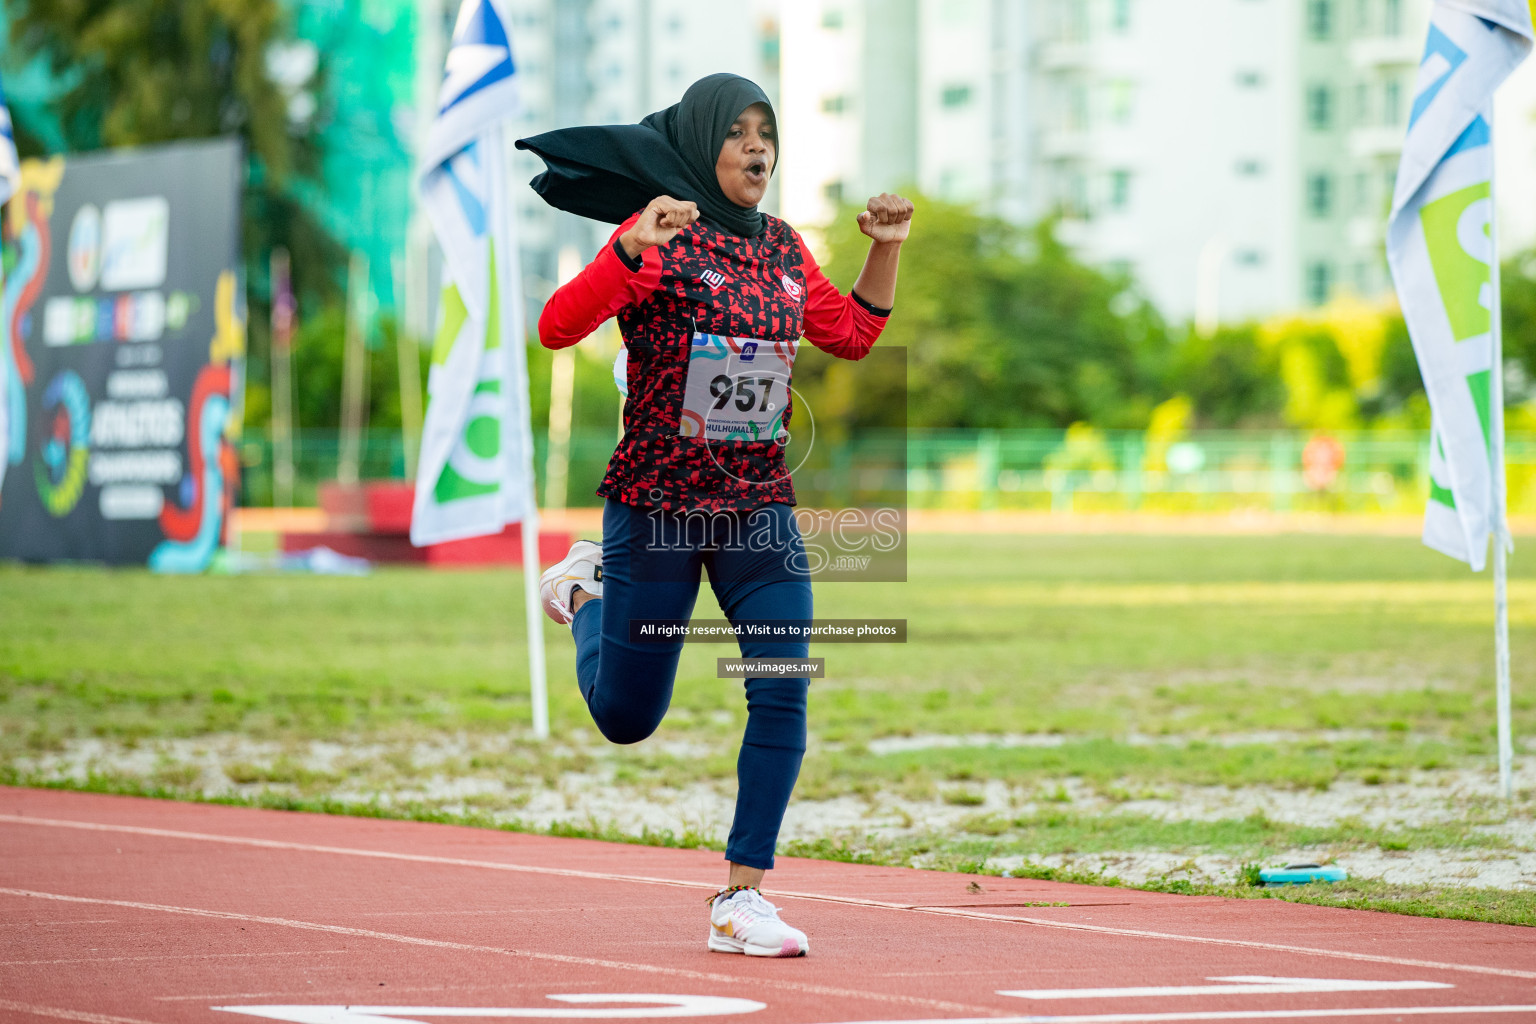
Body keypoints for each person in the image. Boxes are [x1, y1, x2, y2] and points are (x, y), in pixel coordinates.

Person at [517, 73, 912, 958]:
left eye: (766, 132)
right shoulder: (656, 235)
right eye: (737, 132)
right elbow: (552, 327)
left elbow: (848, 333)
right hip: (656, 504)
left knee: (782, 684)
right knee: (626, 717)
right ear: (702, 144)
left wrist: (884, 247)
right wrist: (628, 252)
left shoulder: (781, 246)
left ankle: (741, 899)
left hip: (757, 506)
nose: (757, 148)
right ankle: (585, 593)